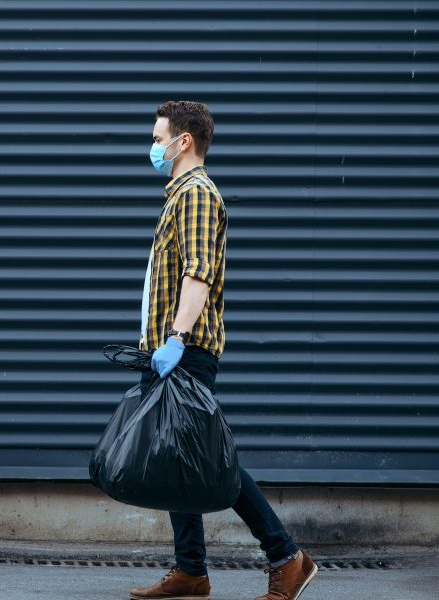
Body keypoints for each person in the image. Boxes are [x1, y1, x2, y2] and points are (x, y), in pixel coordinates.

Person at [129, 101, 318, 600]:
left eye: (157, 136)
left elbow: (198, 272)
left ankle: (287, 557)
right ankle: (191, 571)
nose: (153, 146)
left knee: (209, 460)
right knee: (179, 459)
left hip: (184, 351)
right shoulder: (180, 195)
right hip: (171, 350)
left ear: (182, 141)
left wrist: (174, 339)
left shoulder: (195, 195)